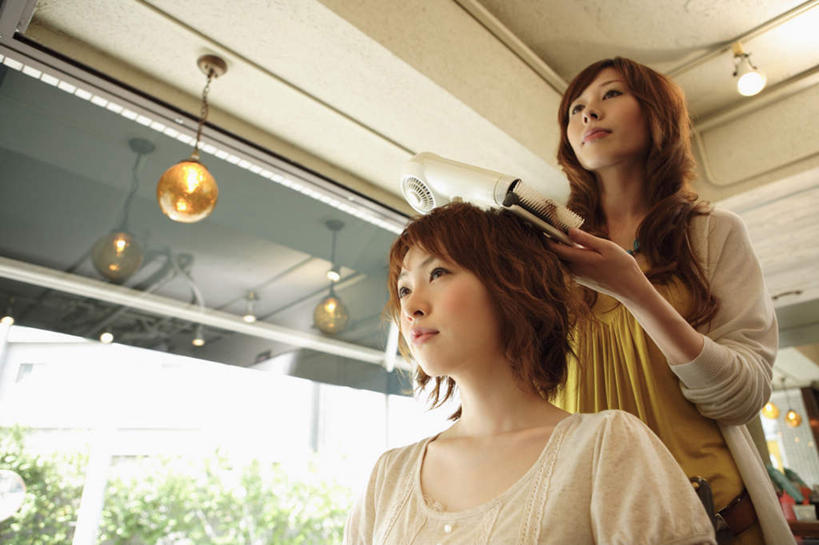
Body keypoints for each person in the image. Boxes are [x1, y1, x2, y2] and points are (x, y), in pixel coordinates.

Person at [344, 202, 715, 545]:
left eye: (438, 273)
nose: (411, 306)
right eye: (403, 289)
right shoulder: (388, 477)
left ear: (510, 283)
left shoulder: (605, 449)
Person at [546, 57, 792, 545]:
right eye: (575, 108)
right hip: (586, 524)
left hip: (716, 520)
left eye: (610, 94)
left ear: (656, 114)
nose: (588, 113)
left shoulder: (713, 233)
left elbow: (744, 394)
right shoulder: (549, 246)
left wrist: (636, 292)